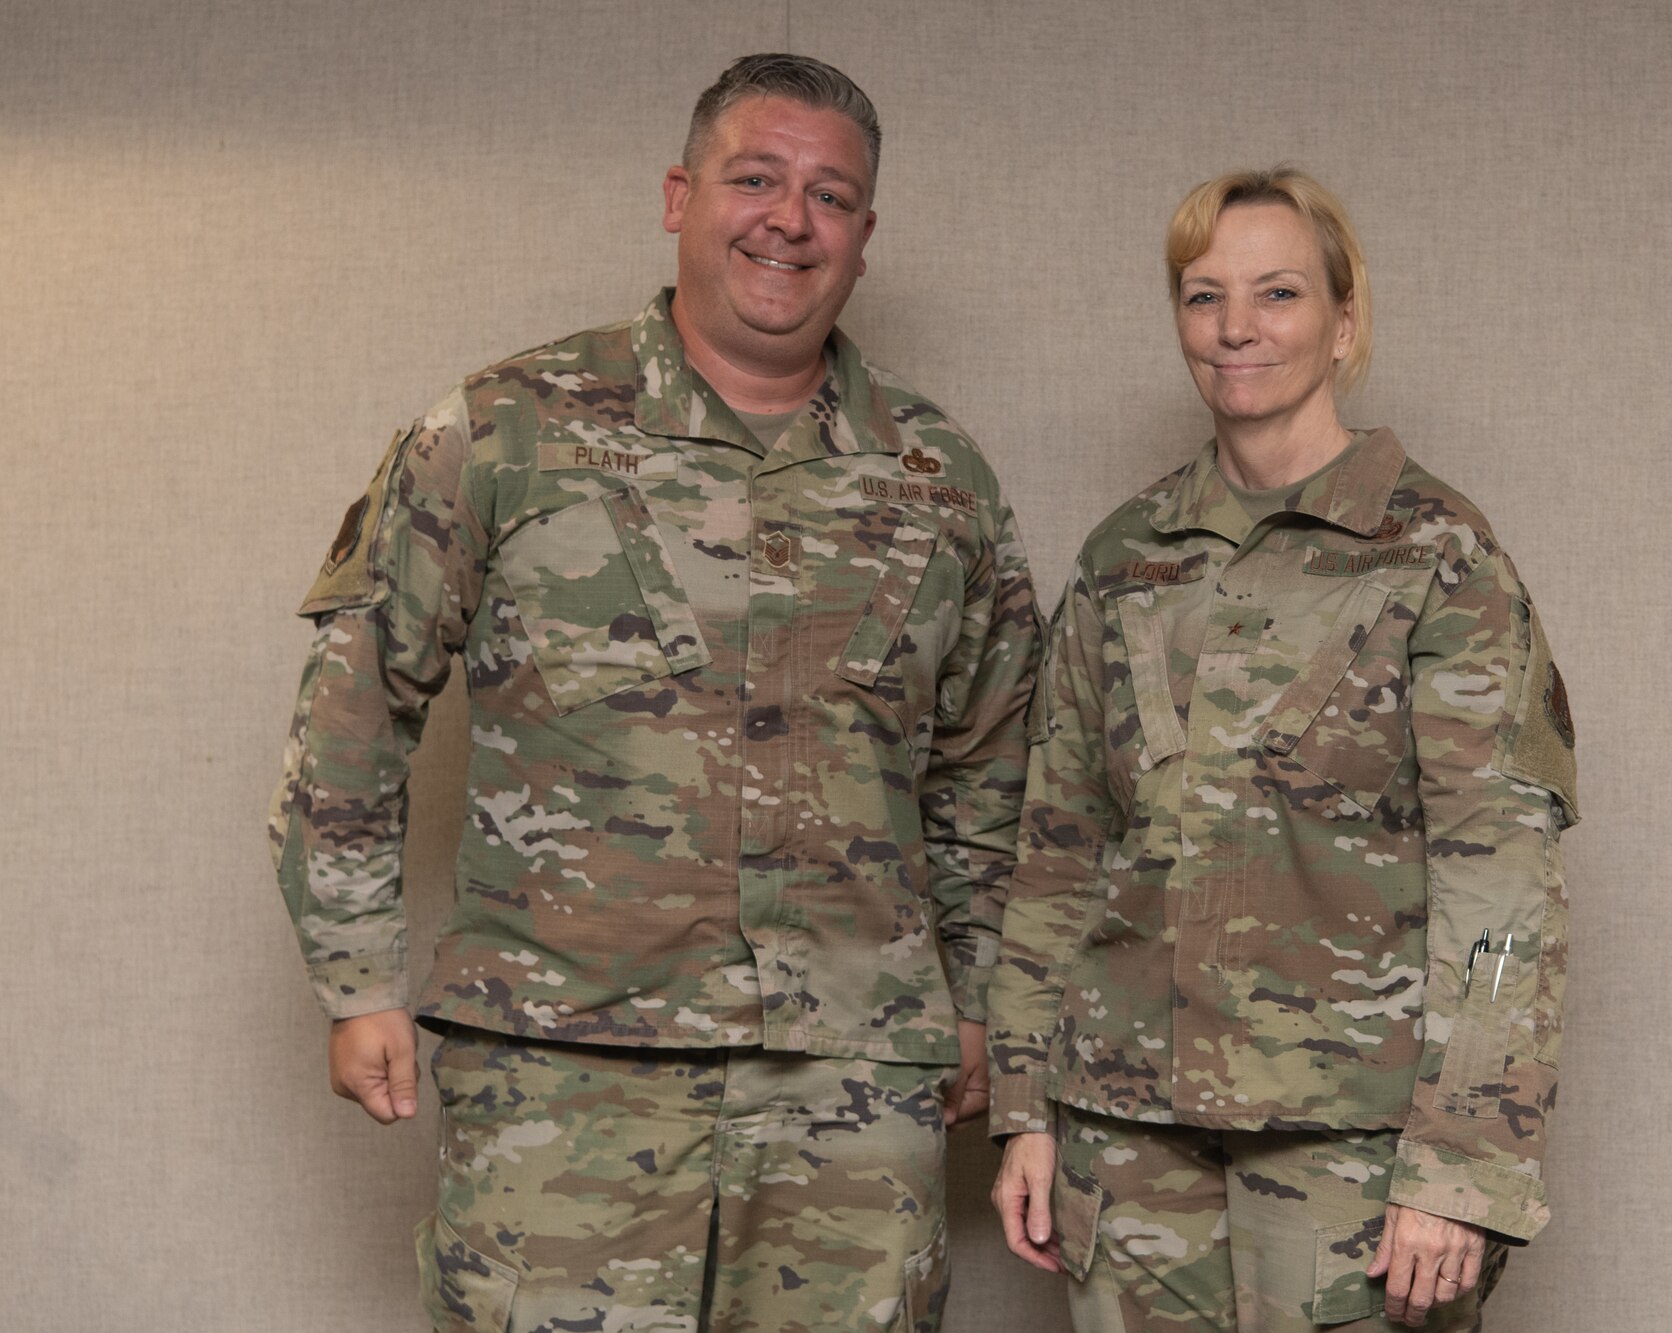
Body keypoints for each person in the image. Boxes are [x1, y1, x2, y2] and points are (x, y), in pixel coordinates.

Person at [269, 53, 1040, 1333]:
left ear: (863, 236)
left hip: (847, 1091)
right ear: (679, 196)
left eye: (829, 196)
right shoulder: (506, 430)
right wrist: (356, 982)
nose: (788, 219)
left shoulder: (939, 478)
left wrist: (973, 1000)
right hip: (564, 1079)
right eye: (755, 179)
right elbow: (353, 706)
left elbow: (990, 766)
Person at [986, 167, 1579, 1332]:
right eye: (1202, 297)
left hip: (1348, 1145)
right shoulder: (1124, 559)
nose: (1236, 329)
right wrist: (1026, 1105)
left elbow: (1501, 879)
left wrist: (1462, 1164)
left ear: (1342, 320)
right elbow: (1059, 848)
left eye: (1277, 293)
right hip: (1124, 1134)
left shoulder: (1437, 558)